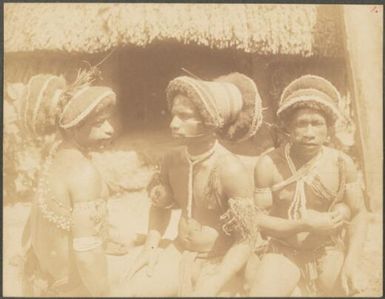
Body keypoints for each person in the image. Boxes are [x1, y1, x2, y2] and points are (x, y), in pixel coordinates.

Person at [112, 73, 264, 297]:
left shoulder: (230, 170)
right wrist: (150, 247)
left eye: (185, 117)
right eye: (174, 115)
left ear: (211, 121)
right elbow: (160, 207)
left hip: (221, 262)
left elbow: (245, 241)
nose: (173, 124)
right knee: (127, 292)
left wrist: (213, 283)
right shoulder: (172, 160)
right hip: (180, 251)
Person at [247, 75, 369, 296]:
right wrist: (304, 224)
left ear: (329, 128)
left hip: (327, 250)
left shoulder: (342, 164)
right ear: (287, 128)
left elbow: (359, 214)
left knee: (355, 290)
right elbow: (256, 219)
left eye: (317, 124)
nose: (310, 133)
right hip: (282, 252)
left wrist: (351, 263)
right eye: (301, 124)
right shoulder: (269, 164)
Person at [21, 73, 118, 296]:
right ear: (73, 127)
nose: (110, 129)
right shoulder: (83, 172)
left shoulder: (54, 154)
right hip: (73, 285)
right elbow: (87, 253)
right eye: (99, 123)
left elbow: (31, 230)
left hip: (48, 275)